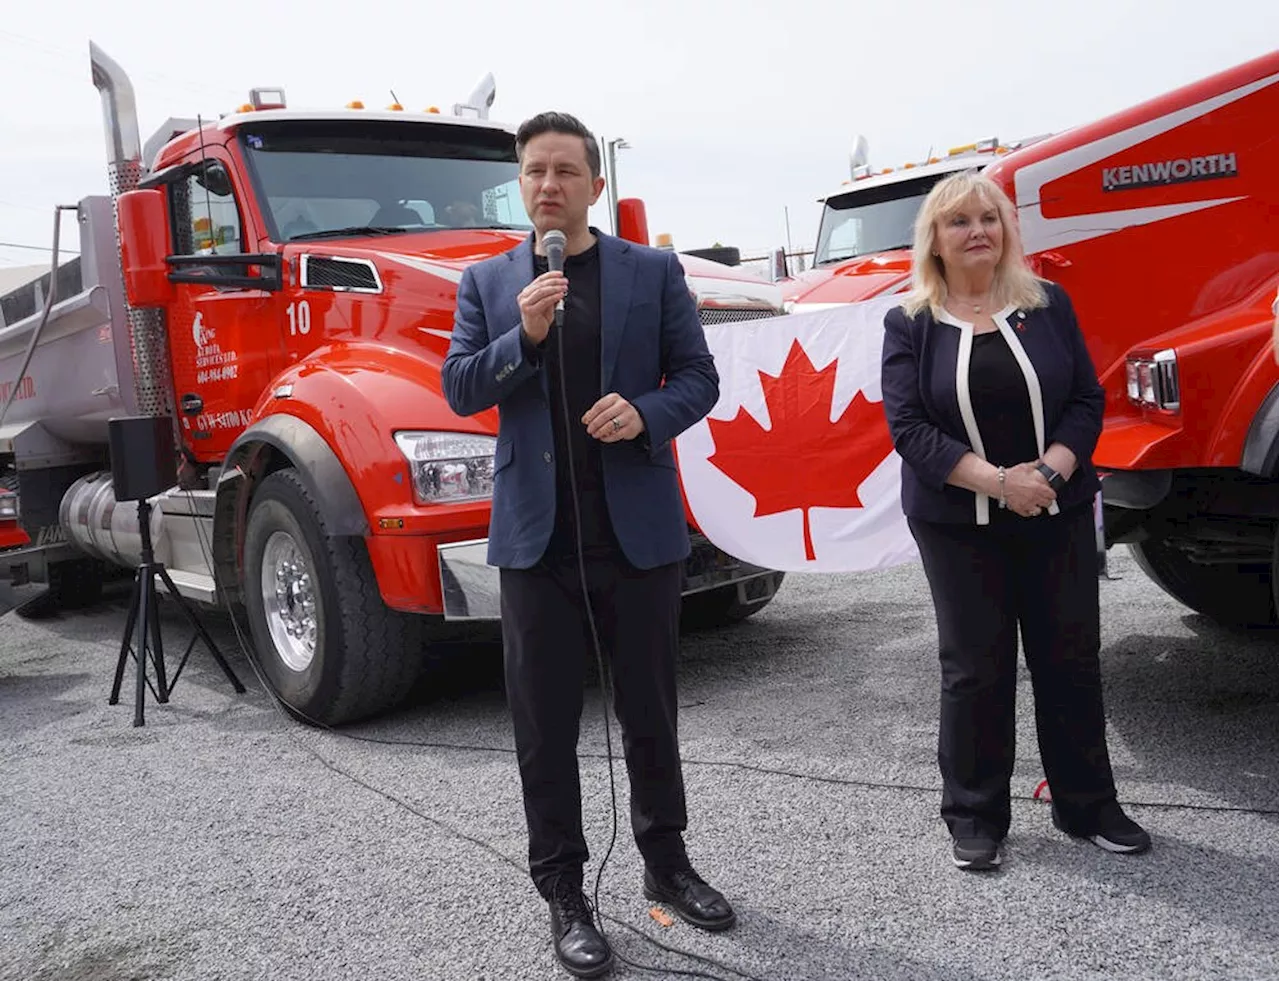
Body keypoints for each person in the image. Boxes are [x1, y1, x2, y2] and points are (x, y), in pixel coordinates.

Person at [441, 111, 735, 978]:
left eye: (566, 171)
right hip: (535, 542)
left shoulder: (650, 271)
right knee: (544, 725)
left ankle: (667, 862)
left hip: (635, 535)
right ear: (519, 182)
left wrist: (647, 412)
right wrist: (523, 336)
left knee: (650, 709)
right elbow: (460, 388)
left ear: (594, 186)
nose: (549, 187)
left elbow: (700, 378)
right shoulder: (490, 282)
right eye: (535, 171)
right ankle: (565, 892)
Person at [879, 171, 1151, 872]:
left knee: (1069, 656)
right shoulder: (909, 320)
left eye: (989, 218)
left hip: (1053, 509)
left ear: (1007, 231)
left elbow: (1086, 400)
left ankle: (1087, 804)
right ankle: (975, 814)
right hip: (955, 520)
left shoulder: (1048, 304)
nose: (978, 231)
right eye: (959, 221)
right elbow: (908, 427)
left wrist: (1050, 475)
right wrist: (1002, 483)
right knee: (975, 668)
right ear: (933, 240)